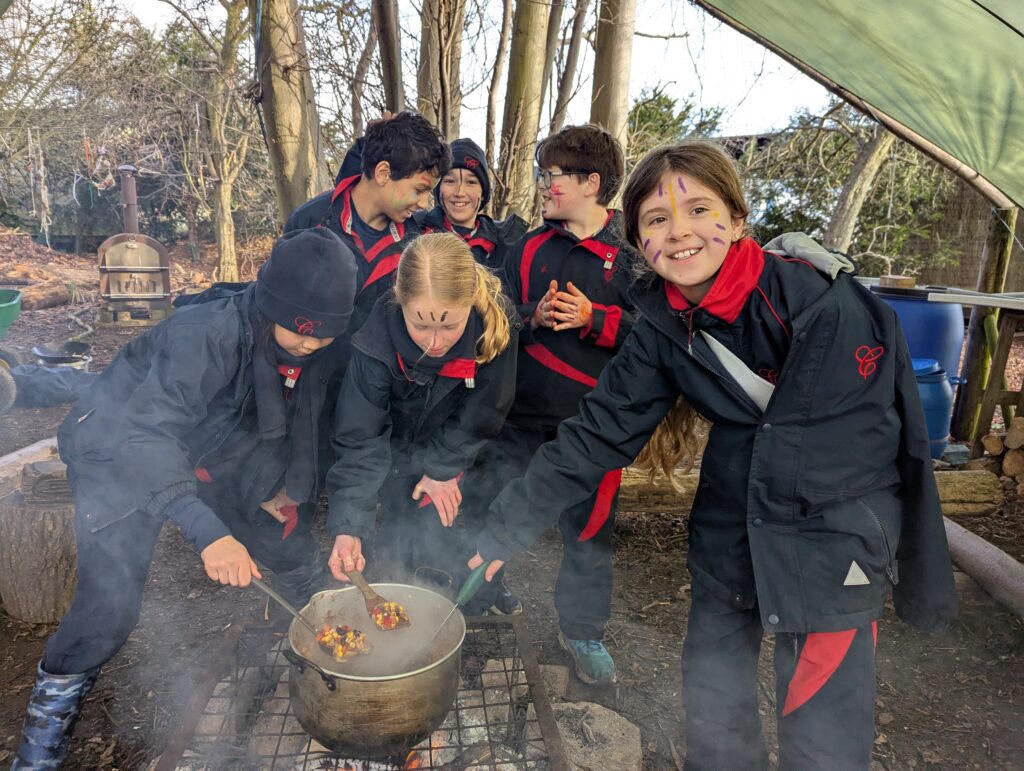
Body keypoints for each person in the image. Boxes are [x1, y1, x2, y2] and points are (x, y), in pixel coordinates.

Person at [471, 141, 957, 767]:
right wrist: (504, 530)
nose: (679, 233)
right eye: (656, 219)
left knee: (822, 734)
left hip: (830, 533)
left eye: (698, 209)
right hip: (730, 523)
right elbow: (598, 431)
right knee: (712, 701)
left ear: (735, 219)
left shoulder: (820, 305)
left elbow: (851, 447)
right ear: (636, 240)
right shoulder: (664, 322)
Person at [12, 228, 359, 770]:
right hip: (116, 449)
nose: (312, 345)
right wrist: (209, 531)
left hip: (203, 448)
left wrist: (288, 487)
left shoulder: (299, 339)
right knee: (110, 607)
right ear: (272, 307)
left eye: (323, 337)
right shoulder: (206, 335)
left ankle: (327, 640)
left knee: (287, 543)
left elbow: (296, 416)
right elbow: (145, 437)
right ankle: (40, 743)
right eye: (303, 333)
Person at [463, 124, 638, 683]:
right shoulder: (529, 247)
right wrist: (530, 318)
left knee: (587, 534)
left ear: (592, 183)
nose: (542, 185)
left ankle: (581, 628)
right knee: (489, 503)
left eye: (552, 175)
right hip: (519, 416)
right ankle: (478, 599)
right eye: (542, 173)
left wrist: (597, 319)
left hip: (592, 427)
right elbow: (497, 317)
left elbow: (655, 340)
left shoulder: (629, 256)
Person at [323, 232, 518, 592]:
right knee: (401, 524)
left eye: (448, 325)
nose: (434, 342)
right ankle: (404, 577)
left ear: (472, 302)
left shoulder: (494, 326)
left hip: (467, 446)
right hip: (397, 444)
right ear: (399, 301)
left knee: (462, 526)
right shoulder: (374, 340)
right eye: (421, 324)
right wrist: (349, 526)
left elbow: (486, 408)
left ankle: (478, 592)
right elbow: (360, 437)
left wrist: (443, 468)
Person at [285, 111, 451, 340]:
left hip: (375, 374)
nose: (424, 204)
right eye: (419, 190)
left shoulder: (415, 241)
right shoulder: (310, 222)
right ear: (383, 173)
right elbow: (282, 311)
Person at [414, 138, 527, 268]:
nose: (459, 192)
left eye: (471, 182)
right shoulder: (415, 231)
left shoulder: (506, 246)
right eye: (450, 181)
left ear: (483, 193)